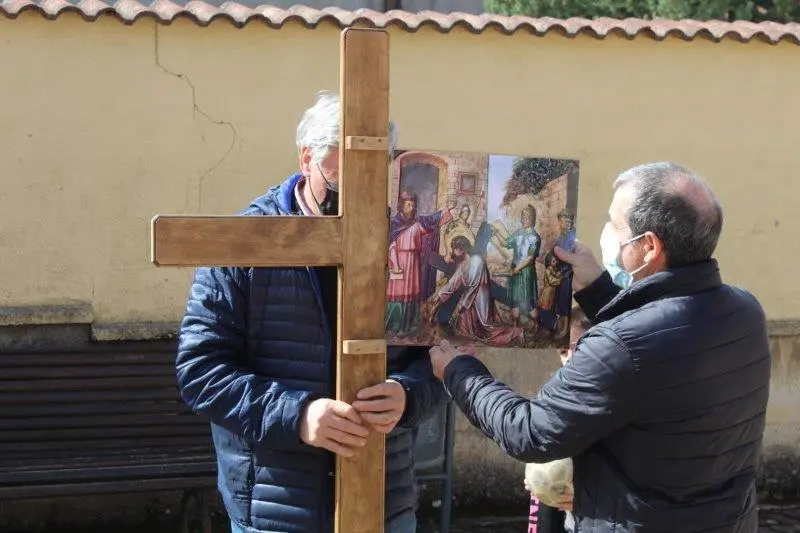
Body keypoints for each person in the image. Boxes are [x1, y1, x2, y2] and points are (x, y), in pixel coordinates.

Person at [430, 162, 771, 532]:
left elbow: (529, 432)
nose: (605, 232)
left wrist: (459, 372)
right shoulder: (745, 311)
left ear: (649, 246)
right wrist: (598, 290)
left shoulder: (618, 347)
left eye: (614, 223)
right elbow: (660, 341)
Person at [176, 90, 449, 533]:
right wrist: (297, 415)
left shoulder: (408, 242)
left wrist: (409, 395)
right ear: (307, 159)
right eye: (342, 184)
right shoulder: (244, 245)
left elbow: (441, 358)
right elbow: (200, 371)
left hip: (385, 502)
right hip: (277, 507)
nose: (359, 203)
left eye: (373, 183)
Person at [525, 305, 592, 533]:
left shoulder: (625, 406)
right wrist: (539, 483)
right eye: (563, 352)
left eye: (578, 348)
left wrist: (590, 500)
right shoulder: (551, 401)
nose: (569, 358)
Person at [429, 236, 524, 346]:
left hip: (480, 297)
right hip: (470, 298)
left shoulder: (477, 260)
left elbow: (473, 285)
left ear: (461, 249)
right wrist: (439, 296)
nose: (453, 252)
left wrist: (462, 304)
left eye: (454, 249)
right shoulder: (464, 263)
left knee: (487, 326)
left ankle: (517, 332)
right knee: (464, 328)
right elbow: (453, 283)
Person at [387, 191, 456, 338]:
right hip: (400, 262)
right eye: (408, 205)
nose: (411, 208)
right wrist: (396, 264)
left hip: (413, 263)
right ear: (402, 207)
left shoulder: (416, 223)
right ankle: (395, 326)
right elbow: (392, 245)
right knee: (398, 294)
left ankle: (409, 325)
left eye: (413, 205)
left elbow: (431, 220)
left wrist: (446, 210)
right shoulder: (395, 224)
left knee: (411, 294)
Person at [494, 204, 542, 331]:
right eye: (522, 217)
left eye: (526, 217)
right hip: (515, 270)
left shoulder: (535, 237)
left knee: (528, 301)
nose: (523, 219)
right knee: (514, 300)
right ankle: (515, 328)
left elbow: (530, 257)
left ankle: (537, 324)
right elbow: (504, 243)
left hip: (526, 273)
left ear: (532, 218)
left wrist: (517, 268)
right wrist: (496, 233)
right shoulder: (518, 233)